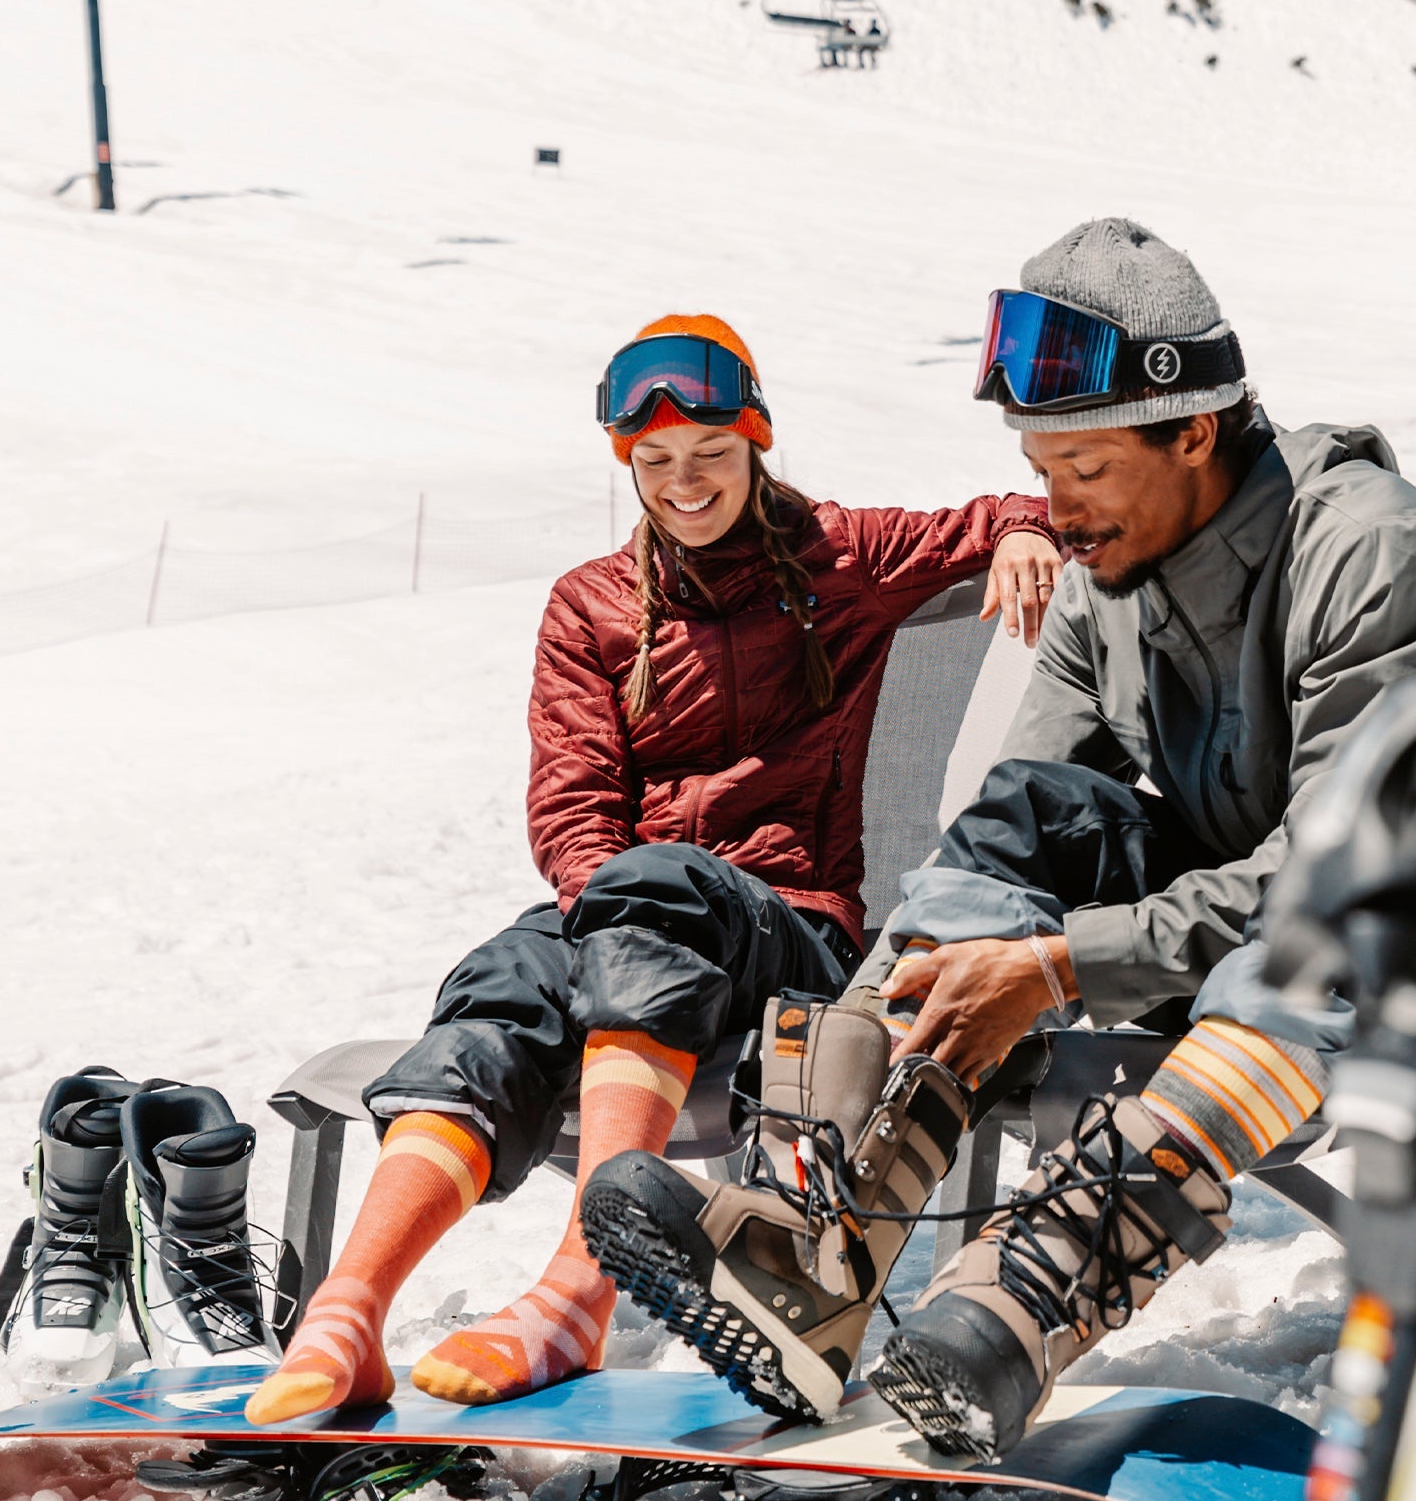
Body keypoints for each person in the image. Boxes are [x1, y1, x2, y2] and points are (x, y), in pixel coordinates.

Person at [582, 218, 1416, 1455]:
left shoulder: (1368, 550)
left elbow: (1351, 866)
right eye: (1039, 469)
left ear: (1194, 431)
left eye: (1085, 468)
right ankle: (809, 1239)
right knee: (1027, 816)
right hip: (1235, 935)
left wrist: (1063, 966)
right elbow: (1005, 833)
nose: (1057, 508)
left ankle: (1028, 1295)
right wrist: (930, 993)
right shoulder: (1102, 581)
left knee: (1315, 937)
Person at [246, 314, 1059, 1426]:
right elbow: (572, 810)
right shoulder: (590, 604)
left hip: (790, 930)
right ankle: (346, 1313)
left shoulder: (843, 555)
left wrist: (1022, 530)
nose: (685, 481)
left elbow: (1017, 509)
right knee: (506, 982)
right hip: (631, 916)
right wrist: (600, 927)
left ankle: (576, 1294)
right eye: (656, 459)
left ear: (755, 442)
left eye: (711, 452)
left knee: (659, 885)